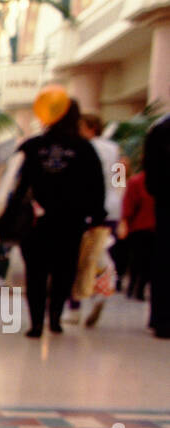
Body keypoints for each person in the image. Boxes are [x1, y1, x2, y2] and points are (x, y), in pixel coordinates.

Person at [1, 92, 106, 337]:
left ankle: (37, 321)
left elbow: (22, 184)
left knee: (36, 270)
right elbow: (100, 183)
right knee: (65, 269)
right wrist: (101, 213)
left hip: (38, 219)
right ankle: (57, 316)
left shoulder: (34, 146)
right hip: (72, 219)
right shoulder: (92, 148)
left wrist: (11, 212)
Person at [68, 113, 124, 327]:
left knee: (77, 257)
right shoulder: (114, 149)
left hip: (86, 208)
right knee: (102, 250)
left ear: (90, 128)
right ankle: (103, 286)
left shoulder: (81, 148)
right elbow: (119, 180)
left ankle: (74, 307)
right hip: (112, 208)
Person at [143, 110, 170, 338]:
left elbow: (150, 179)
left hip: (164, 205)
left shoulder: (159, 129)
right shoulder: (114, 152)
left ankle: (162, 319)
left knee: (163, 260)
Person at [120, 165, 155, 301]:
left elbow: (128, 205)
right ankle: (136, 287)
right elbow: (129, 205)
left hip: (143, 226)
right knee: (142, 259)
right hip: (143, 227)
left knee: (142, 260)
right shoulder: (136, 181)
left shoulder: (136, 181)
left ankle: (135, 287)